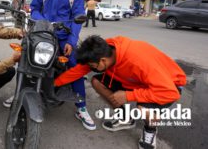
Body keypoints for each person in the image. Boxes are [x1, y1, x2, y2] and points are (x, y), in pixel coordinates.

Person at [54, 35, 186, 149]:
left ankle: (150, 130)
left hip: (168, 86)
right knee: (96, 82)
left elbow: (171, 93)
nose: (91, 69)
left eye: (93, 67)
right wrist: (54, 84)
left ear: (103, 61)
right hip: (136, 80)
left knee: (143, 108)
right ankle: (126, 118)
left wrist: (129, 96)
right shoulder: (103, 50)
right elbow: (78, 71)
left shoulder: (138, 60)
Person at [28, 0, 96, 130]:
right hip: (43, 34)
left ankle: (81, 107)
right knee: (26, 57)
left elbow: (77, 17)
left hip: (65, 37)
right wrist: (42, 21)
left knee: (76, 67)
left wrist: (71, 41)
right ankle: (21, 93)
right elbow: (34, 9)